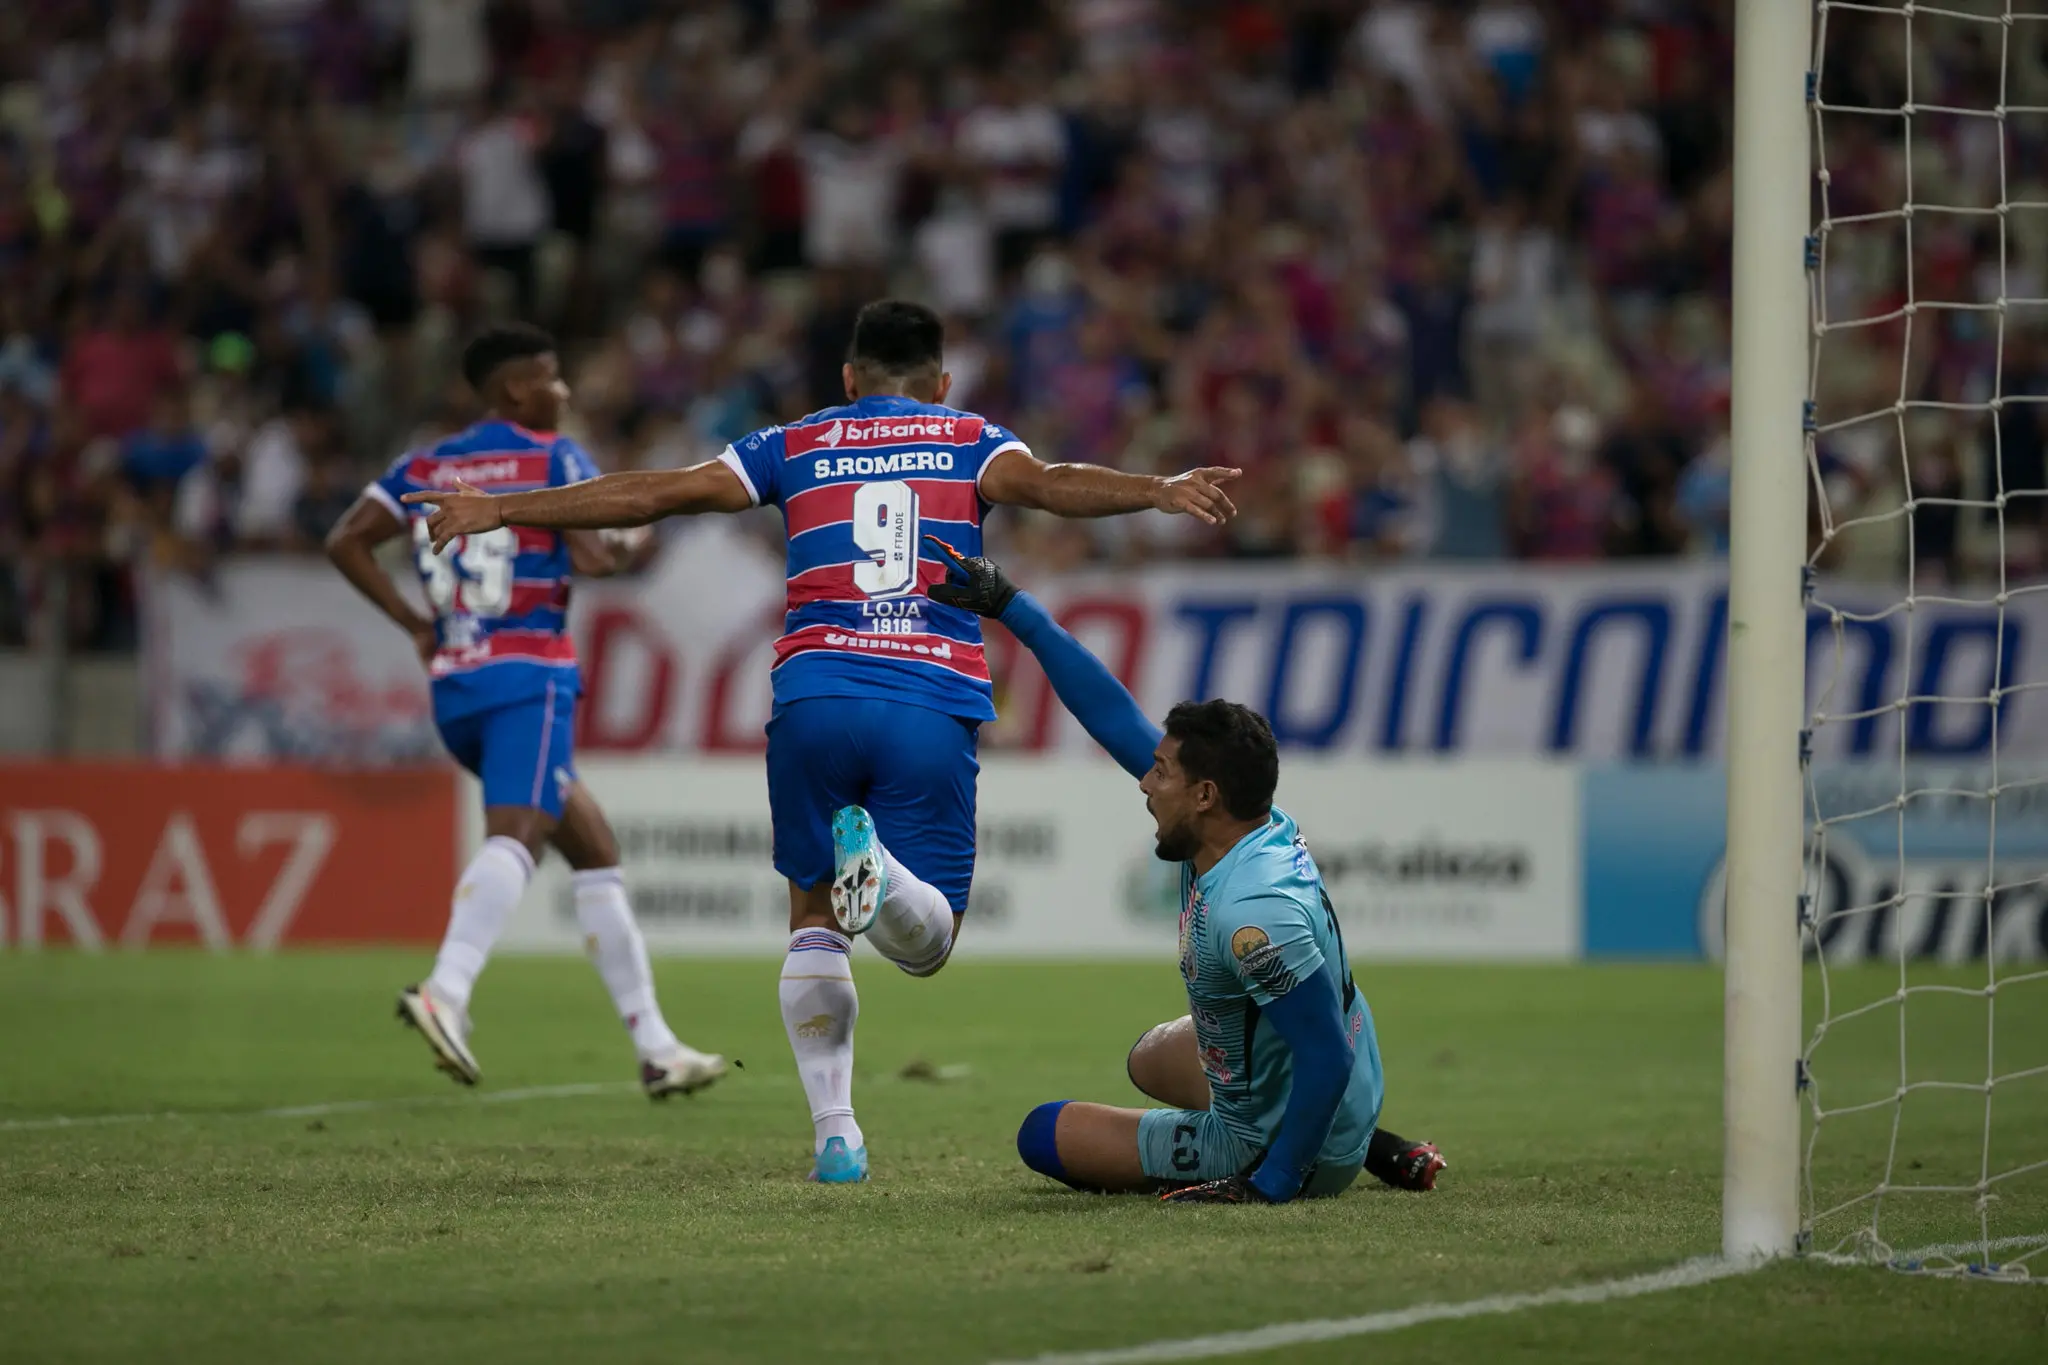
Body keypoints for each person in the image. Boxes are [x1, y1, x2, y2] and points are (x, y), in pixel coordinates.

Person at [403, 299, 1240, 1182]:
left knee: (812, 920)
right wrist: (1157, 489)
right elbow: (1052, 482)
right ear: (941, 382)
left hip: (814, 697)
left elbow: (659, 491)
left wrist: (504, 508)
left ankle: (836, 1132)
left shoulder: (792, 442)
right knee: (929, 942)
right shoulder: (968, 437)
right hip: (926, 696)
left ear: (848, 378)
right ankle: (885, 877)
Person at [926, 540, 1446, 1201]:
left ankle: (1302, 1151)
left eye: (1161, 772)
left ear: (1203, 794)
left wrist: (1269, 1184)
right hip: (1348, 1100)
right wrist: (1010, 606)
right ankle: (1373, 1142)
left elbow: (1326, 1055)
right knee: (1151, 1057)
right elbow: (1112, 715)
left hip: (1286, 1144)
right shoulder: (1247, 822)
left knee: (1043, 1132)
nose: (1146, 782)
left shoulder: (1253, 912)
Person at [324, 323, 724, 1100]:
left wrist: (414, 623)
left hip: (457, 684)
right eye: (552, 377)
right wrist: (632, 545)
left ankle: (657, 1047)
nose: (564, 392)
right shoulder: (552, 458)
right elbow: (595, 555)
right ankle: (447, 989)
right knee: (517, 833)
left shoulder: (424, 464)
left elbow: (346, 540)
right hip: (529, 675)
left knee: (594, 848)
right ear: (517, 388)